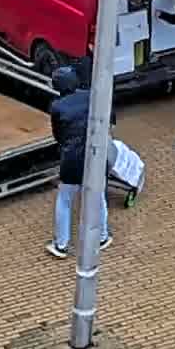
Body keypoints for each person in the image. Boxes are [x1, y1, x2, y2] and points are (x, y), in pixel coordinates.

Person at [46, 64, 111, 259]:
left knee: (65, 199)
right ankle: (102, 235)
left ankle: (61, 244)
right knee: (97, 195)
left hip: (72, 159)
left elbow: (58, 135)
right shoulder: (90, 95)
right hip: (94, 155)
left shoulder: (57, 107)